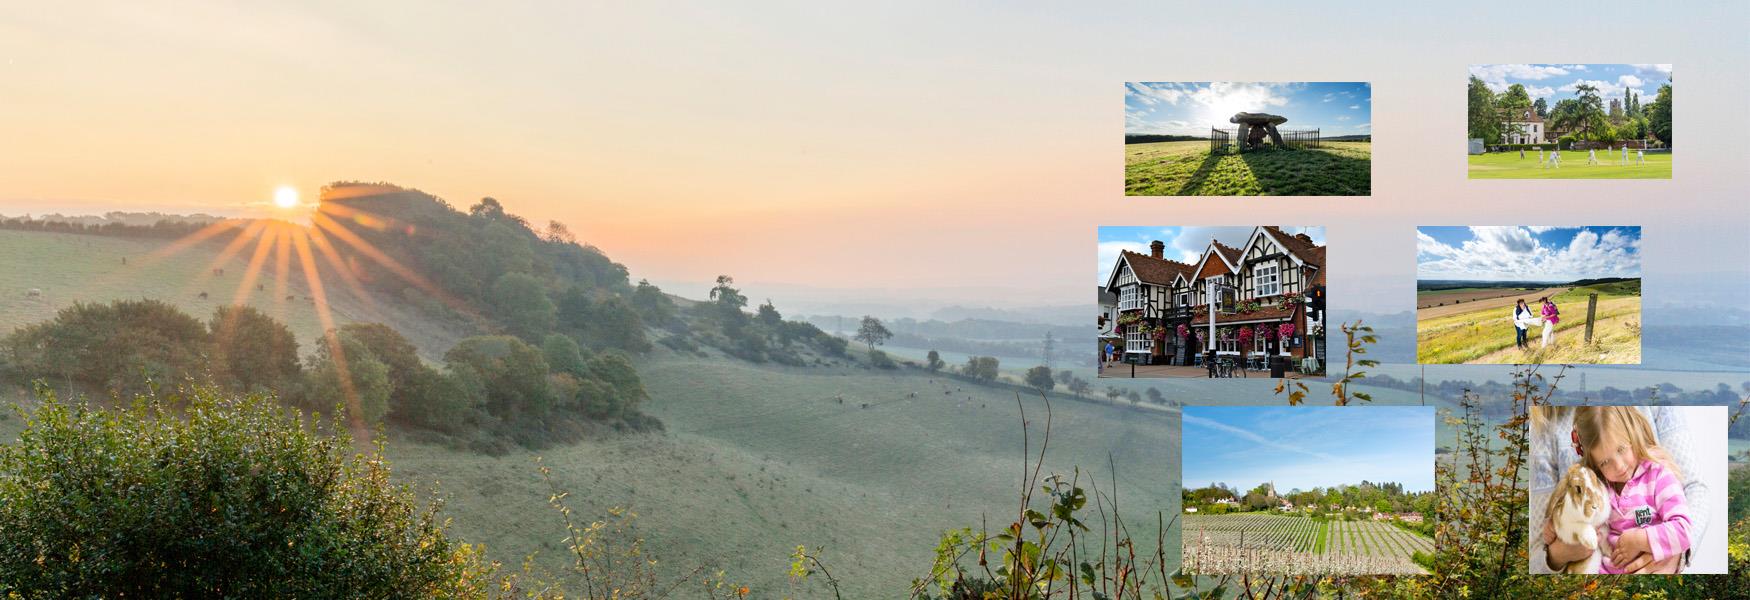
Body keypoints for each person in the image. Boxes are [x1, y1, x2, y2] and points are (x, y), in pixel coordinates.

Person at [1532, 407, 1708, 574]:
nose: (1619, 466)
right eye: (1605, 462)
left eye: (1621, 449)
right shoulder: (1602, 488)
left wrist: (1640, 539)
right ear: (1594, 462)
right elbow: (1582, 517)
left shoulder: (1659, 477)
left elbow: (1684, 530)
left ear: (1633, 433)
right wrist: (1555, 525)